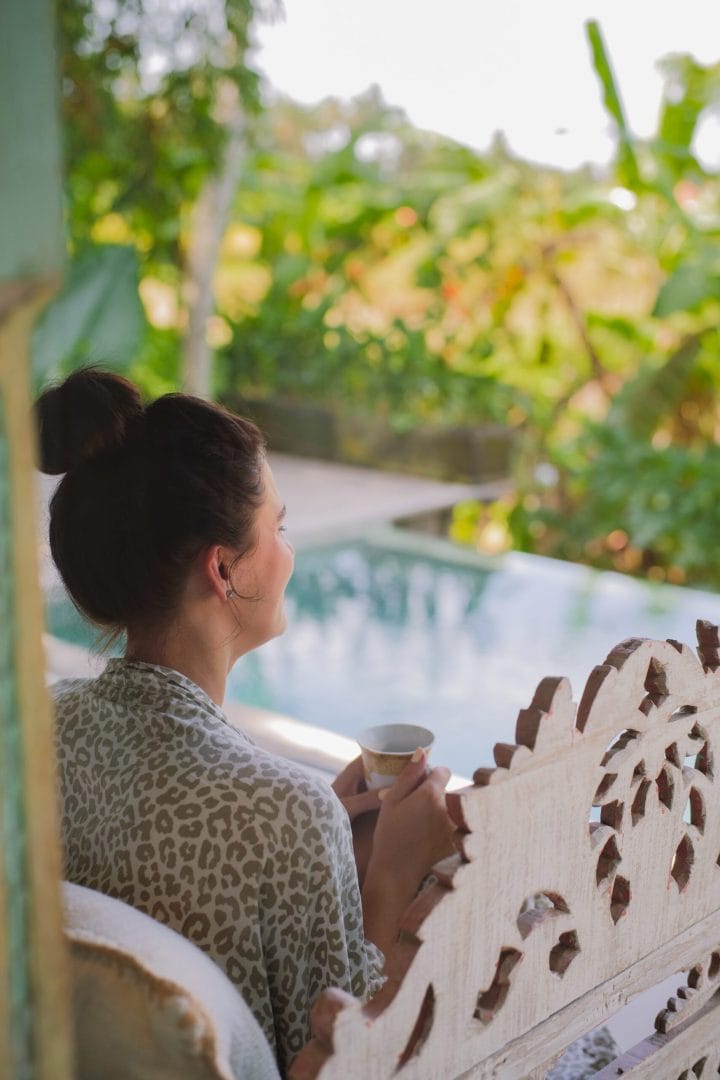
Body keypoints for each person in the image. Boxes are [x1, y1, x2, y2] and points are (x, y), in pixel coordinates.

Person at [37, 368, 454, 1073]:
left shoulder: (36, 732)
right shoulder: (281, 815)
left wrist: (318, 851)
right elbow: (348, 1060)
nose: (288, 552)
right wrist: (393, 874)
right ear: (224, 570)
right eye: (278, 527)